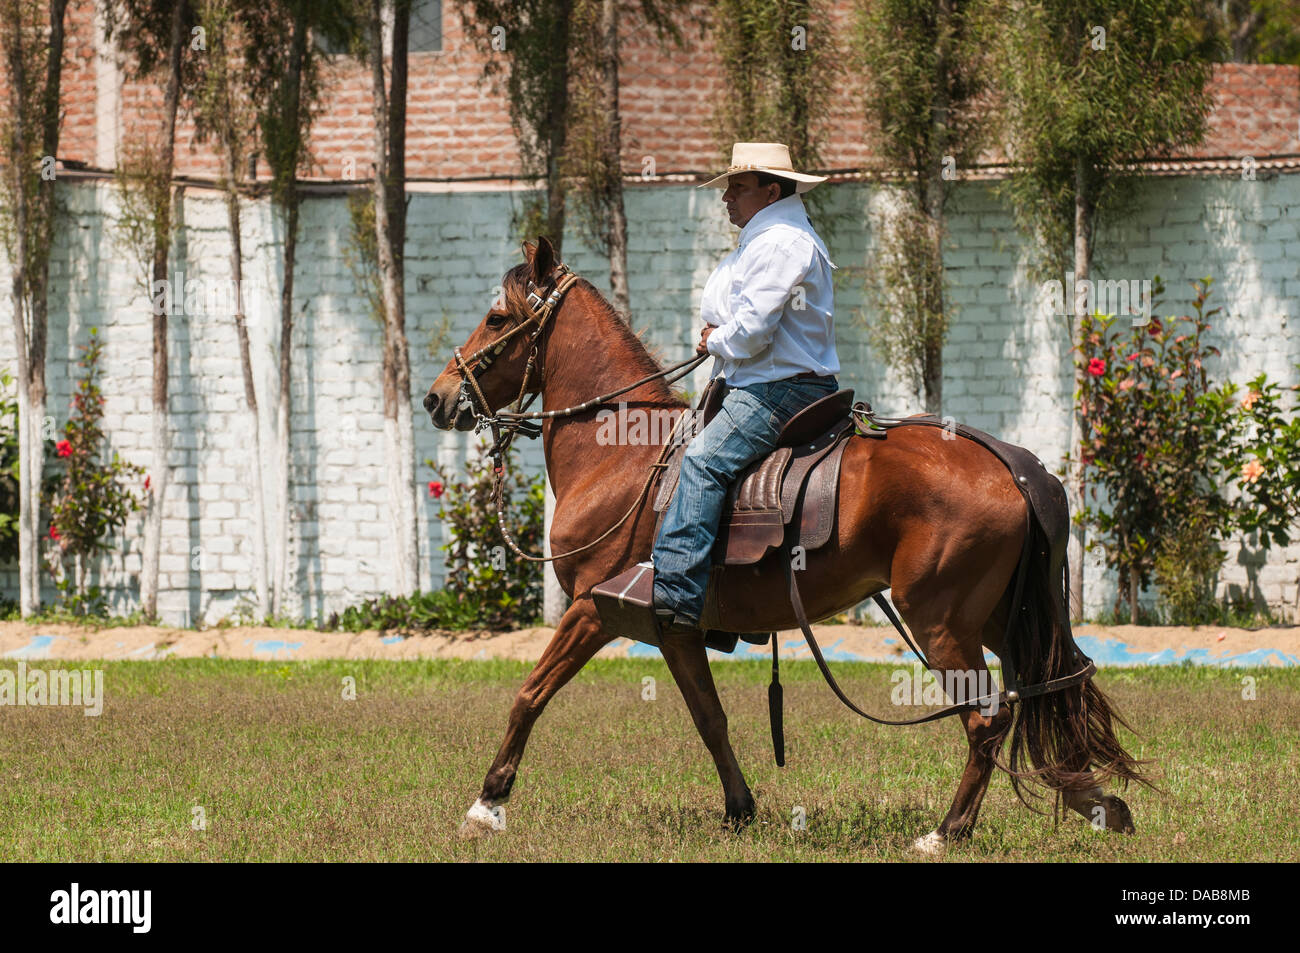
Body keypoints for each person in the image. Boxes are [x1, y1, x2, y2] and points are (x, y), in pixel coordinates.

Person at [653, 142, 840, 635]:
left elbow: (752, 331)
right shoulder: (766, 238)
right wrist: (719, 333)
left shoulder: (781, 241)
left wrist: (718, 338)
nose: (726, 197)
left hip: (779, 390)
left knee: (701, 462)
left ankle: (674, 600)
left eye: (737, 186)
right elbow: (729, 314)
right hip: (768, 382)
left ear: (771, 190)